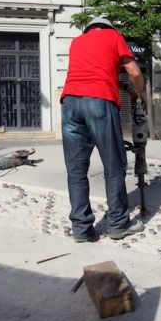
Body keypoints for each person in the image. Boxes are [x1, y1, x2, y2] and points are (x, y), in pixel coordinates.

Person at [61, 17, 146, 243]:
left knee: (76, 170)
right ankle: (118, 224)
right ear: (110, 28)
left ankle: (81, 229)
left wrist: (122, 86)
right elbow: (134, 71)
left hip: (70, 104)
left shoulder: (77, 42)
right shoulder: (114, 36)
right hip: (98, 102)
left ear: (89, 29)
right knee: (114, 164)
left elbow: (95, 72)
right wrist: (140, 94)